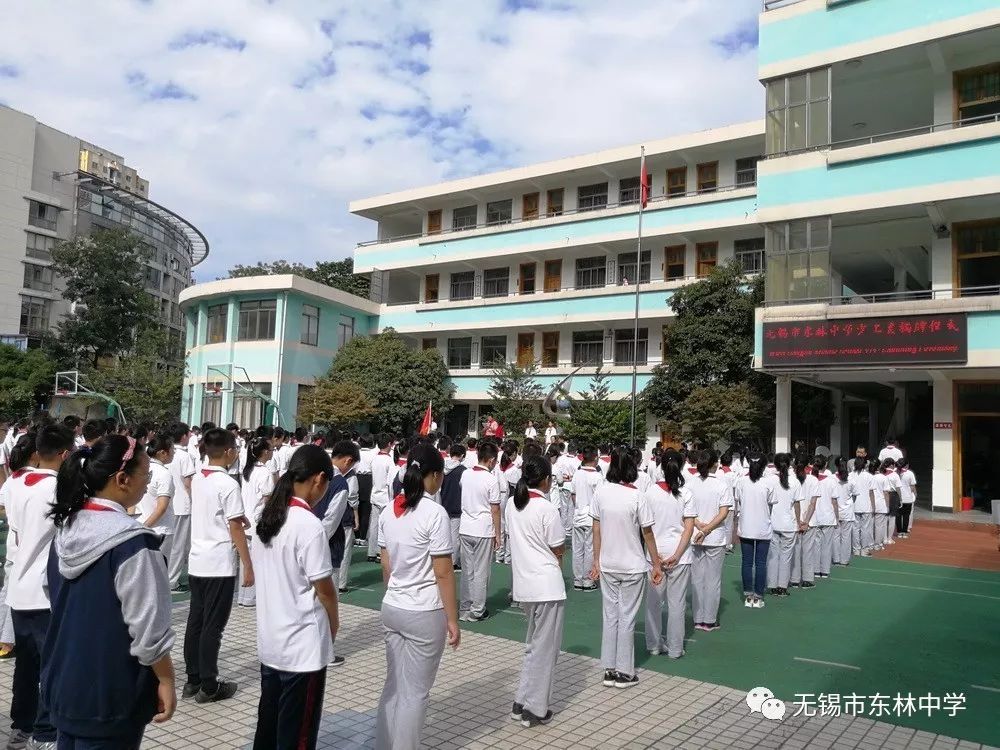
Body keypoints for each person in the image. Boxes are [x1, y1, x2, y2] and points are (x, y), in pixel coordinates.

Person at [44, 435, 177, 748]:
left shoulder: (65, 531)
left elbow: (52, 595)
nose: (148, 484)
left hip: (65, 682)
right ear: (122, 479)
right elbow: (149, 632)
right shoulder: (134, 545)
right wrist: (167, 679)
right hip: (112, 692)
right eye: (146, 474)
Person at [251, 445, 339, 750]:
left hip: (272, 640)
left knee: (270, 723)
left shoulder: (268, 515)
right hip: (302, 647)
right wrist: (334, 624)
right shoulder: (309, 525)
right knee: (297, 733)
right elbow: (325, 589)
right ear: (318, 480)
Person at [376, 443, 459, 750]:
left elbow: (386, 566)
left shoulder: (389, 509)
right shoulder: (434, 513)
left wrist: (396, 594)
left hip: (393, 606)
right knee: (416, 692)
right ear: (434, 475)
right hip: (424, 612)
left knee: (394, 686)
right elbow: (443, 572)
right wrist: (453, 619)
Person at [5, 424, 75, 749]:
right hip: (45, 591)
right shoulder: (59, 487)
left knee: (27, 662)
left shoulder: (17, 481)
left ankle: (21, 724)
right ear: (63, 454)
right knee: (51, 663)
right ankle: (45, 732)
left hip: (19, 587)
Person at [183, 428, 253, 703]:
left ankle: (193, 679)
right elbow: (234, 526)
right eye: (234, 448)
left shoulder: (199, 478)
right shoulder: (228, 484)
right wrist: (248, 563)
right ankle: (210, 685)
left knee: (196, 621)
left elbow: (225, 516)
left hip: (198, 559)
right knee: (213, 625)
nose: (236, 452)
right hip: (219, 562)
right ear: (227, 452)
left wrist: (239, 518)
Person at [589, 448, 662, 688]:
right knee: (627, 617)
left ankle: (609, 668)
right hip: (632, 564)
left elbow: (596, 529)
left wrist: (596, 561)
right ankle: (625, 671)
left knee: (610, 616)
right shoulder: (637, 496)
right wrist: (656, 562)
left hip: (609, 563)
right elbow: (648, 532)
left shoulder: (601, 493)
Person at [507, 455, 565, 728]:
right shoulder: (546, 507)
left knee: (533, 645)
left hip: (525, 584)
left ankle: (523, 699)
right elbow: (558, 546)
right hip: (546, 584)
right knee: (546, 649)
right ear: (546, 479)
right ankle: (535, 708)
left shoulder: (512, 503)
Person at [643, 451, 695, 658]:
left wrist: (655, 558)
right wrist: (677, 554)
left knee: (653, 603)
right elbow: (688, 528)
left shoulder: (649, 493)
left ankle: (654, 644)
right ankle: (675, 648)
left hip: (654, 553)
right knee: (677, 604)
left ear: (661, 466)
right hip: (679, 555)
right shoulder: (686, 493)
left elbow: (645, 528)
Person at [0, 432, 37, 662]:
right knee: (14, 595)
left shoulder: (13, 480)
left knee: (7, 592)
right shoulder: (35, 483)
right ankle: (7, 642)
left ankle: (5, 640)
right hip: (25, 549)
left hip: (14, 547)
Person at [688, 450, 733, 630]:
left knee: (697, 578)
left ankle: (698, 618)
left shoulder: (691, 484)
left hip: (696, 535)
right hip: (714, 537)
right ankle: (709, 619)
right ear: (715, 464)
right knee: (712, 579)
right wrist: (706, 529)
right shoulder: (721, 485)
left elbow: (688, 512)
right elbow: (723, 513)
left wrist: (699, 525)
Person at [458, 442, 500, 622]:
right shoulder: (491, 479)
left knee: (467, 570)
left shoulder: (465, 474)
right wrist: (498, 533)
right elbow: (495, 509)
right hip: (483, 528)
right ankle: (477, 609)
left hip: (466, 526)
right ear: (490, 460)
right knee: (481, 571)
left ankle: (465, 607)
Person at [238, 439, 276, 608]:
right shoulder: (265, 473)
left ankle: (243, 596)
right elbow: (267, 500)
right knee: (257, 561)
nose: (273, 451)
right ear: (265, 452)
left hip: (245, 519)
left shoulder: (248, 470)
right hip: (257, 520)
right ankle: (251, 597)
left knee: (245, 561)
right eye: (271, 449)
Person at [735, 454, 774, 608]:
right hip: (763, 527)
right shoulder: (768, 483)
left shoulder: (742, 482)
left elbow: (738, 500)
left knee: (746, 562)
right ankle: (758, 596)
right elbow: (771, 504)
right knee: (760, 563)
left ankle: (748, 595)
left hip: (746, 527)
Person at [137, 435, 177, 566]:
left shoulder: (143, 468)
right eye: (172, 449)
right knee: (158, 571)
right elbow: (162, 507)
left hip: (141, 524)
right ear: (163, 453)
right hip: (159, 530)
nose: (174, 452)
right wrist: (144, 527)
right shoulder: (164, 474)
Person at [167, 422, 197, 591]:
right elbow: (188, 482)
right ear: (184, 436)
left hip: (166, 504)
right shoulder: (184, 456)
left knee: (170, 544)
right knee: (179, 545)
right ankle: (172, 580)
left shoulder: (163, 452)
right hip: (182, 504)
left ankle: (167, 577)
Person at [765, 454, 799, 597]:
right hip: (788, 524)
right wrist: (799, 521)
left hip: (773, 522)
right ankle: (782, 586)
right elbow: (797, 504)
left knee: (773, 556)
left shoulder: (770, 481)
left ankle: (772, 585)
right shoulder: (795, 481)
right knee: (786, 556)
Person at [569, 447, 602, 592]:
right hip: (591, 518)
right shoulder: (598, 476)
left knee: (577, 549)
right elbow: (601, 499)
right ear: (595, 458)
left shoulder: (577, 474)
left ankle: (578, 579)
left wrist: (579, 507)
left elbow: (573, 494)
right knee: (589, 549)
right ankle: (588, 580)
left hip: (578, 515)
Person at [368, 434, 395, 562]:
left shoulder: (374, 459)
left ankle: (371, 551)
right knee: (383, 525)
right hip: (385, 496)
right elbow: (390, 482)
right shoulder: (389, 460)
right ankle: (380, 552)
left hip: (375, 494)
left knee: (373, 525)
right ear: (389, 444)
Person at [440, 444, 467, 571]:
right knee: (455, 536)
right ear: (462, 455)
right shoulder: (463, 471)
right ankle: (454, 562)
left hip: (444, 502)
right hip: (457, 504)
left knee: (445, 534)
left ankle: (445, 559)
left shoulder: (443, 468)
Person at [852, 456, 876, 556]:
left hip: (854, 505)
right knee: (865, 528)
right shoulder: (869, 476)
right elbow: (871, 493)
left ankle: (856, 549)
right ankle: (864, 550)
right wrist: (874, 506)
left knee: (855, 528)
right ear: (865, 465)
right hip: (866, 505)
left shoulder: (850, 475)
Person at [833, 457, 855, 566]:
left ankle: (836, 559)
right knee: (846, 537)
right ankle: (844, 560)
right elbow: (855, 495)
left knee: (836, 536)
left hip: (835, 511)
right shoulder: (851, 480)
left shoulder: (831, 478)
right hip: (847, 512)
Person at [897, 458, 916, 539]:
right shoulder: (910, 473)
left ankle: (899, 532)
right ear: (907, 465)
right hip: (908, 498)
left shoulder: (896, 473)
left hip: (898, 498)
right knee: (906, 516)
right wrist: (914, 494)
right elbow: (912, 486)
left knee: (898, 516)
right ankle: (904, 532)